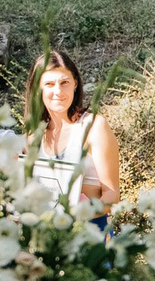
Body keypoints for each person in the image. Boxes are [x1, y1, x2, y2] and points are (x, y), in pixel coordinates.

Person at [29, 49, 120, 210]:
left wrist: (75, 216)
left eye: (64, 83)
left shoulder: (93, 127)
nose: (58, 91)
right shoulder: (34, 135)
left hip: (89, 229)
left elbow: (112, 196)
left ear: (75, 84)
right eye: (49, 84)